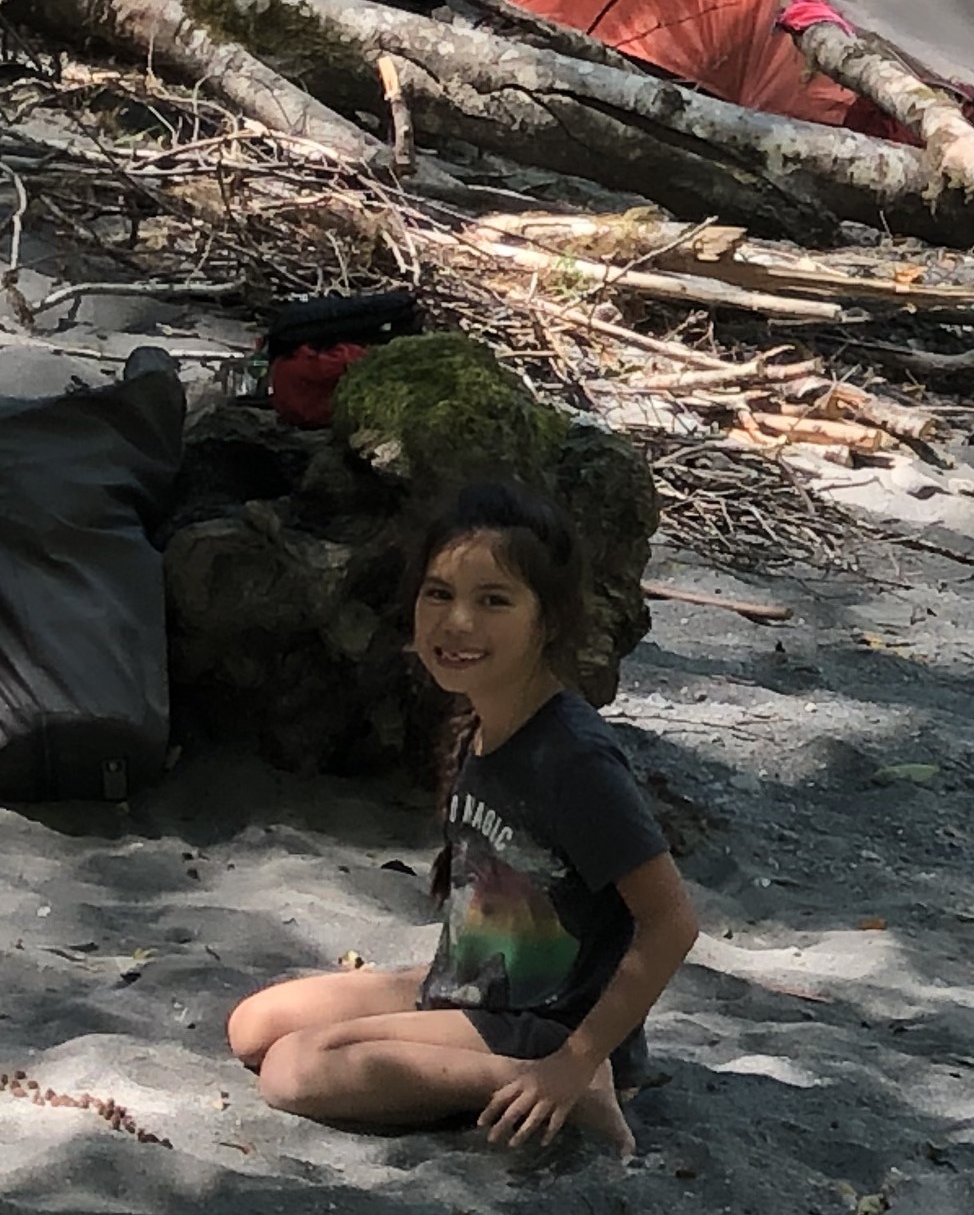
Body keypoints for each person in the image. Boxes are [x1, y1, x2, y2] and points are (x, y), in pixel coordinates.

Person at [227, 481, 698, 1153]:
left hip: (549, 1024)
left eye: (493, 601)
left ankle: (541, 1083)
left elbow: (672, 922)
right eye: (438, 593)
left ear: (551, 620)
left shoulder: (574, 760)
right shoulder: (485, 716)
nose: (457, 623)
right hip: (476, 987)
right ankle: (476, 1049)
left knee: (295, 1069)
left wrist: (573, 1059)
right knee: (252, 1026)